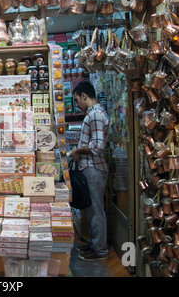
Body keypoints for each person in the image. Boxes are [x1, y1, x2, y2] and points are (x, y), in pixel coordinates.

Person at [70, 80, 109, 261]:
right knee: (91, 209)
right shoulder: (94, 114)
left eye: (77, 100)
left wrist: (77, 151)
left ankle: (100, 250)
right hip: (90, 168)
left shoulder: (95, 115)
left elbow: (98, 146)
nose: (77, 104)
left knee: (95, 209)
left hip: (94, 168)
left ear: (84, 96)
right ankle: (94, 244)